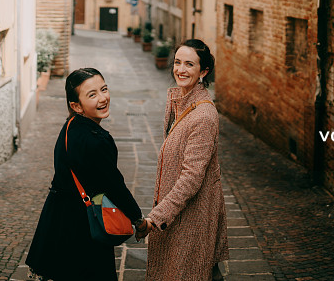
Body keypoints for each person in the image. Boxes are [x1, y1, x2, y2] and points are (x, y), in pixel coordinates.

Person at [26, 67, 148, 281]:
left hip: (57, 219)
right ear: (76, 105)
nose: (103, 98)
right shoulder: (95, 140)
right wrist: (138, 220)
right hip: (82, 227)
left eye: (104, 89)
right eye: (92, 95)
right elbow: (113, 186)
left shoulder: (70, 126)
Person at [140, 39, 229, 280]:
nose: (181, 69)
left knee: (189, 271)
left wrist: (155, 218)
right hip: (176, 211)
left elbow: (191, 178)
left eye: (189, 64)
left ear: (204, 71)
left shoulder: (203, 116)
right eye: (177, 62)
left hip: (193, 215)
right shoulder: (177, 102)